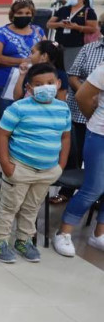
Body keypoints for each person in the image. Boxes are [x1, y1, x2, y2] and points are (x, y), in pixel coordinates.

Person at [0, 63, 70, 263]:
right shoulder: (19, 107)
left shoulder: (63, 108)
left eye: (50, 82)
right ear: (29, 88)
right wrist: (6, 164)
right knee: (10, 206)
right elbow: (1, 135)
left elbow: (65, 137)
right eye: (39, 84)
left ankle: (23, 240)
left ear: (58, 83)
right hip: (20, 167)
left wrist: (61, 164)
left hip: (48, 169)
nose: (46, 87)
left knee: (33, 207)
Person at [55, 55, 104, 256]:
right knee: (94, 188)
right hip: (100, 134)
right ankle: (64, 232)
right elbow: (82, 97)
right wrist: (94, 120)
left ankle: (99, 234)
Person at [53, 37, 104, 204]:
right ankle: (67, 190)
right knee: (75, 153)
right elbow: (73, 75)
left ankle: (97, 195)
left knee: (97, 162)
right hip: (82, 109)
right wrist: (87, 91)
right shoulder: (89, 48)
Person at [0, 0, 46, 98]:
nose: (24, 16)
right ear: (12, 15)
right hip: (2, 83)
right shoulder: (1, 33)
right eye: (20, 13)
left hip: (31, 83)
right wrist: (24, 61)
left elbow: (46, 51)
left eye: (28, 13)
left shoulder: (38, 31)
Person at [48, 0, 98, 69]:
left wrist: (77, 27)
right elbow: (49, 24)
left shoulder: (88, 11)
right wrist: (60, 24)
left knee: (71, 70)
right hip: (59, 45)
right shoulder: (63, 9)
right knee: (56, 69)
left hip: (76, 46)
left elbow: (93, 29)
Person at [12, 39, 69, 103]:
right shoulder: (30, 71)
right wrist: (22, 75)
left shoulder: (60, 75)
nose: (29, 56)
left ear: (44, 56)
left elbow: (61, 100)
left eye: (33, 53)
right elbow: (17, 97)